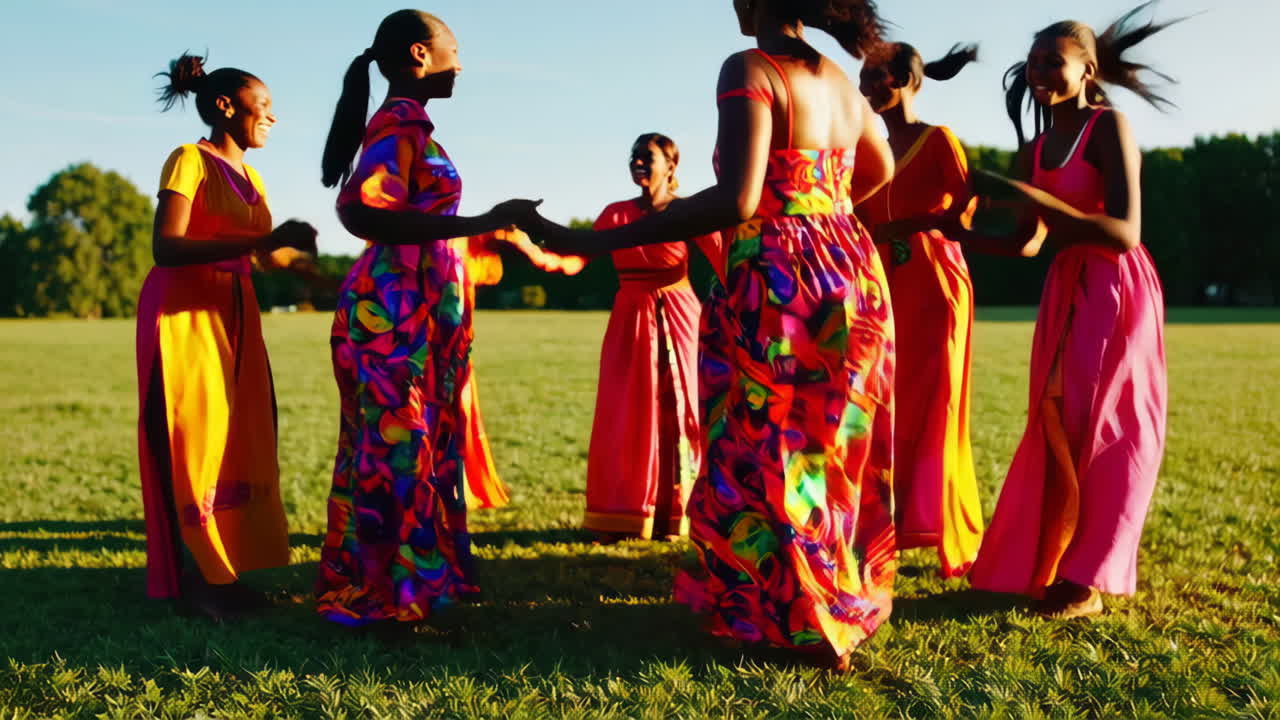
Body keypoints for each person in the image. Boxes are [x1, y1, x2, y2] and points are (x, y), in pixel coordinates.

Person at [534, 0, 896, 668]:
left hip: (780, 271)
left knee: (769, 442)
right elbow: (880, 171)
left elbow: (737, 199)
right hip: (852, 268)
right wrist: (825, 202)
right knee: (831, 444)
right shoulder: (842, 81)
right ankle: (835, 597)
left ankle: (800, 618)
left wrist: (601, 236)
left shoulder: (750, 70)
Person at [951, 3, 1178, 618]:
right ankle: (1053, 563)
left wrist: (1021, 191)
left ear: (1087, 70)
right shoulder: (1039, 145)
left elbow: (1125, 231)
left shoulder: (1109, 125)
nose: (1038, 70)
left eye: (1054, 60)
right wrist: (949, 230)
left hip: (1115, 285)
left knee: (1108, 426)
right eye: (1032, 61)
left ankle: (1089, 580)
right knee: (1056, 420)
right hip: (1064, 288)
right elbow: (1029, 241)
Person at [315, 9, 540, 626]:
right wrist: (475, 223)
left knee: (417, 440)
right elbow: (364, 210)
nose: (461, 63)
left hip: (414, 309)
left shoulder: (410, 125)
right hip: (390, 311)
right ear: (420, 54)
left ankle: (421, 577)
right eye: (453, 48)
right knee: (397, 443)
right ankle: (390, 589)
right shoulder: (397, 125)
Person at [137, 52, 318, 619]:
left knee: (245, 437)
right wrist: (259, 246)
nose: (272, 117)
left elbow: (262, 256)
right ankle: (203, 583)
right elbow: (166, 246)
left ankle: (227, 569)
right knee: (195, 440)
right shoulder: (188, 160)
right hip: (184, 318)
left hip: (236, 315)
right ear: (224, 106)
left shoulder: (252, 176)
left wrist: (321, 273)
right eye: (263, 106)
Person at [856, 42, 984, 578]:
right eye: (861, 81)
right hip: (878, 286)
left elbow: (967, 214)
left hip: (934, 283)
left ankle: (932, 521)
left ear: (908, 78)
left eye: (875, 79)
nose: (865, 90)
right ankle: (884, 521)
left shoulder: (939, 141)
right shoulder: (866, 150)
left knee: (934, 400)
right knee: (881, 398)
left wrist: (905, 228)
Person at [584, 133, 719, 543]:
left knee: (686, 413)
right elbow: (576, 258)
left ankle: (684, 513)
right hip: (631, 319)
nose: (638, 163)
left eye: (648, 157)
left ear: (671, 166)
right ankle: (628, 513)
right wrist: (530, 246)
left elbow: (725, 258)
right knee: (629, 413)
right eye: (634, 157)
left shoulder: (689, 212)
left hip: (680, 316)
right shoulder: (615, 214)